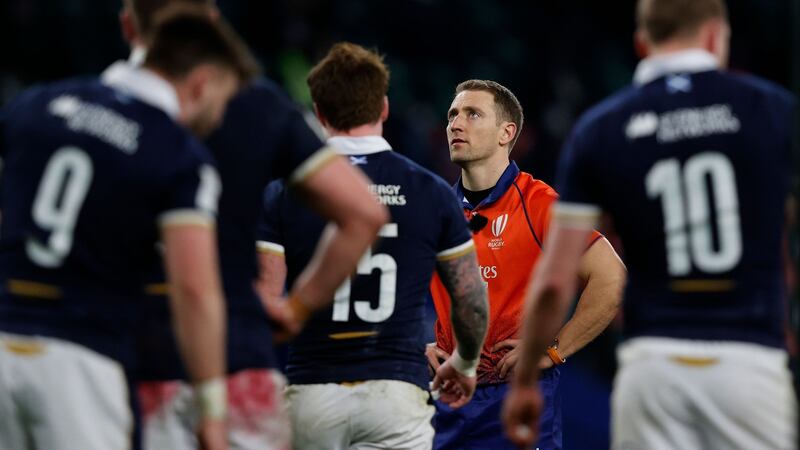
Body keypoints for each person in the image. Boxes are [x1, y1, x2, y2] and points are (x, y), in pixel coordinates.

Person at [503, 1, 799, 449]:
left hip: (653, 367)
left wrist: (525, 375)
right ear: (717, 34)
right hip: (749, 360)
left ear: (642, 43)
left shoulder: (600, 129)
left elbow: (554, 281)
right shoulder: (774, 111)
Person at [118, 2, 389, 449]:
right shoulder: (259, 103)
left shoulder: (92, 107)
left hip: (125, 359)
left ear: (129, 25)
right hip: (237, 354)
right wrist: (296, 309)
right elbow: (363, 213)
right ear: (212, 21)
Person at [0, 8, 258, 450]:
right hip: (83, 363)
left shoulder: (35, 105)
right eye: (223, 99)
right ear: (201, 83)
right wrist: (213, 414)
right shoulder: (178, 154)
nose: (219, 117)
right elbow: (194, 290)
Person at [255, 42, 489, 450]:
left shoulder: (284, 192)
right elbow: (470, 300)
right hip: (395, 393)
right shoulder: (431, 191)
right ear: (383, 107)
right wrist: (465, 364)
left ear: (319, 112)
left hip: (311, 391)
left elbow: (264, 302)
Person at [428, 79, 626, 450]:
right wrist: (416, 344)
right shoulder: (438, 208)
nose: (455, 123)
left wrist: (553, 350)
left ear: (507, 133)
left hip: (515, 395)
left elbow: (612, 280)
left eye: (472, 114)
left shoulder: (539, 203)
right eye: (453, 114)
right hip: (448, 399)